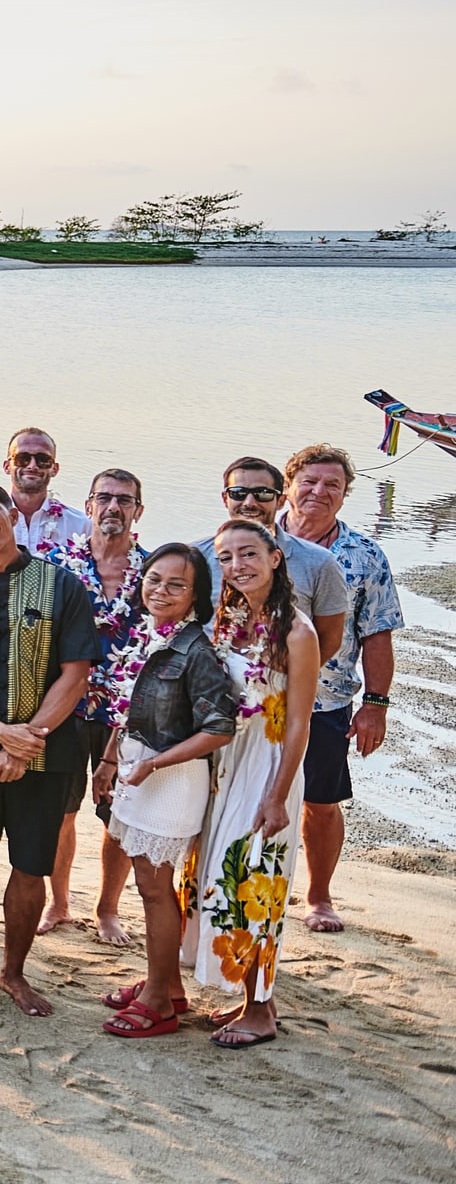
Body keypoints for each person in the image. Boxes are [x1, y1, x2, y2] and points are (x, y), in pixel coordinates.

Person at [0, 482, 101, 1016]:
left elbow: (76, 675)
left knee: (31, 866)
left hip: (48, 756)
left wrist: (25, 743)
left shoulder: (62, 586)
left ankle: (13, 972)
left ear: (11, 516)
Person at [90, 544, 235, 1038]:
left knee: (155, 890)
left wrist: (154, 763)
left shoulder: (196, 650)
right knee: (148, 884)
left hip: (171, 780)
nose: (161, 591)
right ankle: (166, 984)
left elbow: (219, 728)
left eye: (176, 585)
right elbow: (127, 707)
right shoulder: (148, 635)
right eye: (154, 579)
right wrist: (110, 758)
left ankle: (161, 1002)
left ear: (196, 596)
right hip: (135, 767)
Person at [190, 519, 319, 1048]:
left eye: (248, 553)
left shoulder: (298, 632)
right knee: (215, 878)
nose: (237, 565)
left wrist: (276, 794)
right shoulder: (235, 619)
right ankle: (243, 994)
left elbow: (299, 722)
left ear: (276, 558)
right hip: (226, 764)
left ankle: (261, 1009)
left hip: (267, 766)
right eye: (225, 557)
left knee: (251, 881)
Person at [279, 443, 402, 934]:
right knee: (235, 792)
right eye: (309, 482)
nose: (318, 492)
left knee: (321, 801)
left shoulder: (364, 555)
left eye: (332, 485)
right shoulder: (255, 541)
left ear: (346, 495)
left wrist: (375, 706)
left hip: (325, 700)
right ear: (289, 486)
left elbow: (377, 634)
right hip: (248, 696)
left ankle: (318, 896)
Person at [37, 470, 148, 941]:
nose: (113, 508)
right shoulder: (57, 564)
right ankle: (59, 903)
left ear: (138, 511)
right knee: (58, 811)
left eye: (125, 500)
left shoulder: (152, 571)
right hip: (65, 704)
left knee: (119, 811)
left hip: (127, 712)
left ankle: (107, 909)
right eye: (104, 498)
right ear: (88, 505)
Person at [196, 456, 348, 665]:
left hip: (276, 688)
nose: (250, 503)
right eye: (238, 494)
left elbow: (329, 639)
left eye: (263, 494)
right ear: (225, 499)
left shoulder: (319, 562)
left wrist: (286, 680)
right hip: (205, 685)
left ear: (281, 501)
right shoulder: (196, 556)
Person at [4, 428, 90, 552]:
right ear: (7, 466)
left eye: (43, 460)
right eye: (22, 458)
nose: (32, 466)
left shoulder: (80, 525)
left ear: (55, 469)